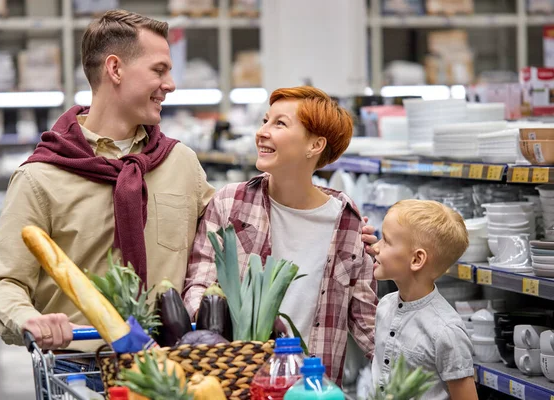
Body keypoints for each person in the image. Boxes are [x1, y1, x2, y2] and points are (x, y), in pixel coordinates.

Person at [0, 10, 215, 390]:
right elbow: (3, 281)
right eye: (159, 70)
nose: (170, 84)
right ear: (115, 69)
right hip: (80, 374)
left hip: (176, 371)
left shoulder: (180, 163)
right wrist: (29, 319)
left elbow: (221, 239)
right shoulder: (41, 177)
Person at [183, 86, 378, 384]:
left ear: (314, 145)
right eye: (265, 121)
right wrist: (210, 331)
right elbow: (199, 284)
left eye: (279, 123)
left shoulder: (346, 221)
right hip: (238, 381)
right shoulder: (230, 203)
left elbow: (366, 322)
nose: (262, 132)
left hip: (312, 387)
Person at [371, 199, 477, 400]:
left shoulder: (446, 332)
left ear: (417, 260)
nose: (376, 247)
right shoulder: (384, 306)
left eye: (386, 240)